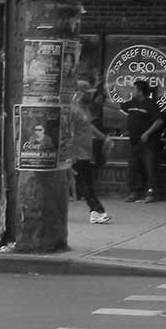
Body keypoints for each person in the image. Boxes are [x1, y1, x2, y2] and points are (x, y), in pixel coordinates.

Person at [71, 79, 111, 223]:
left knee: (83, 183)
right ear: (81, 94)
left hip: (84, 152)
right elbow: (68, 131)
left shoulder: (84, 109)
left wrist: (103, 138)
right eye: (88, 93)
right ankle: (97, 211)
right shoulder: (73, 110)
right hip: (77, 153)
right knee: (86, 184)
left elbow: (89, 127)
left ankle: (96, 211)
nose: (91, 96)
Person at [120, 79, 165, 203]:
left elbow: (159, 121)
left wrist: (147, 133)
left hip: (148, 141)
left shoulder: (149, 104)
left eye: (134, 89)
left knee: (150, 166)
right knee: (134, 166)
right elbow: (117, 106)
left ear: (140, 91)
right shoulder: (131, 104)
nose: (132, 91)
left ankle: (151, 192)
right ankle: (135, 191)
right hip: (134, 141)